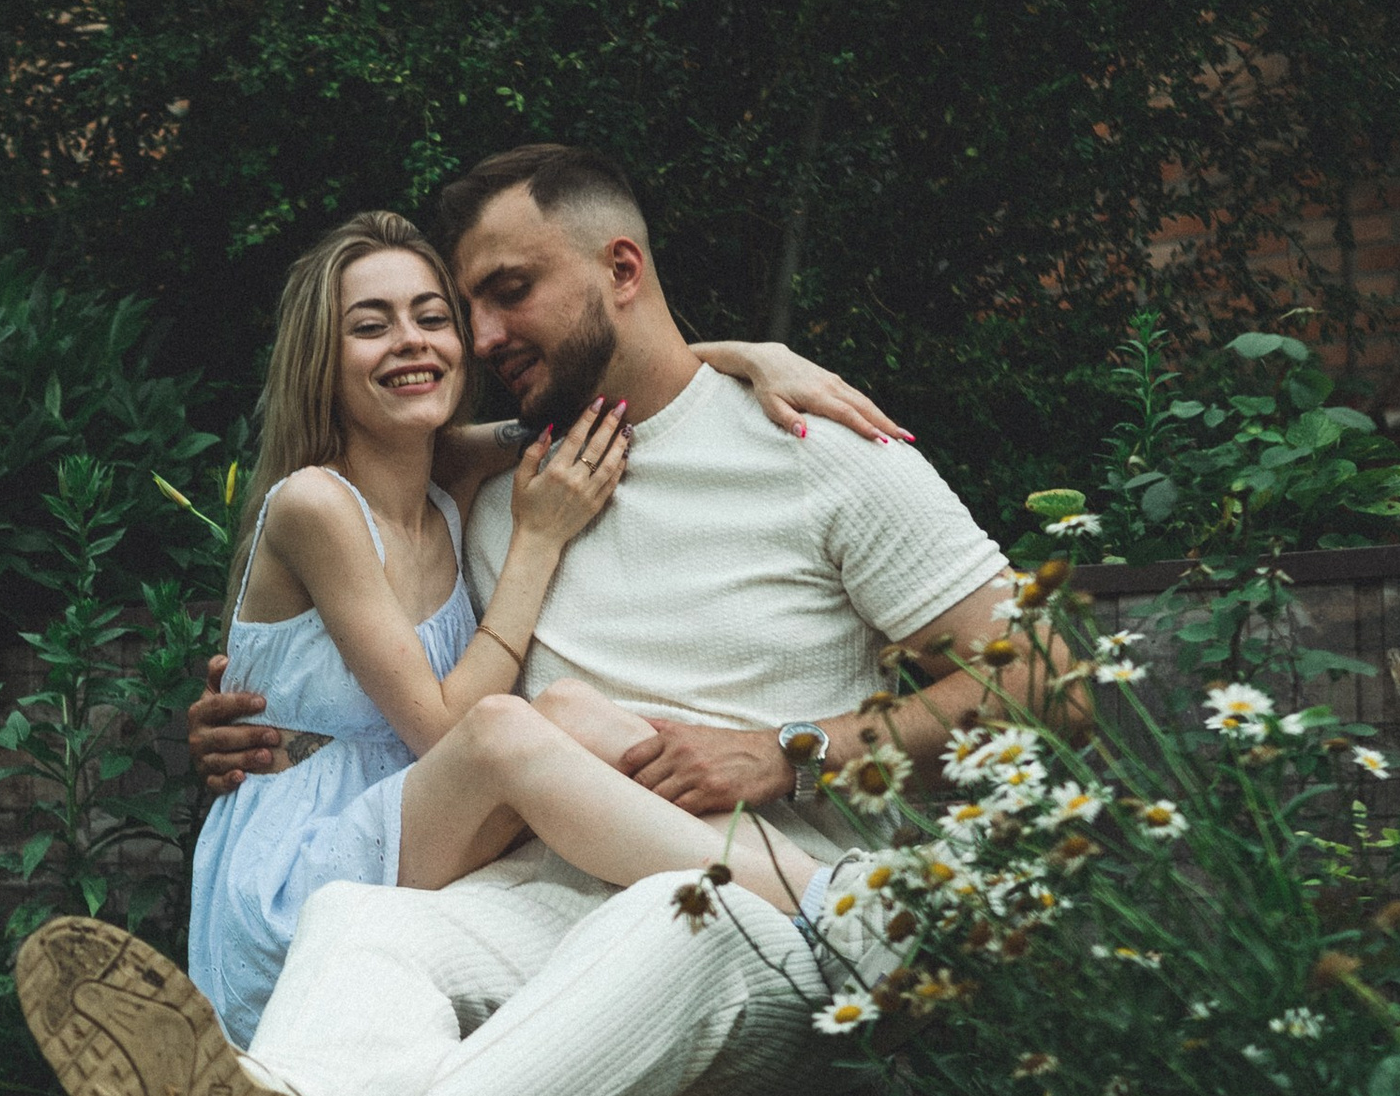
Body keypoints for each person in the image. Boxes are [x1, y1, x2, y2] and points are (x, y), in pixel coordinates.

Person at [13, 142, 1039, 1096]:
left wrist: (791, 751)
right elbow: (375, 606)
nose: (482, 334)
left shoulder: (817, 450)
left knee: (674, 916)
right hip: (552, 888)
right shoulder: (509, 479)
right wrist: (257, 712)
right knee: (361, 916)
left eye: (505, 292)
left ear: (620, 268)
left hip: (781, 925)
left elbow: (1046, 682)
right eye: (471, 303)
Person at [188, 210, 902, 1046]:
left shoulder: (447, 471)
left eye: (431, 317)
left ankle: (838, 892)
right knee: (499, 730)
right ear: (323, 359)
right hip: (299, 879)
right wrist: (537, 539)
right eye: (370, 326)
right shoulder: (317, 503)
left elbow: (623, 388)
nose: (411, 342)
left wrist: (752, 357)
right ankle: (833, 909)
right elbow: (445, 733)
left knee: (566, 708)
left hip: (412, 836)